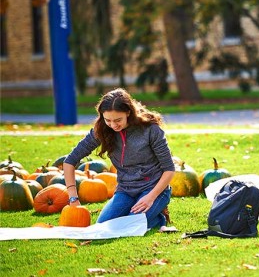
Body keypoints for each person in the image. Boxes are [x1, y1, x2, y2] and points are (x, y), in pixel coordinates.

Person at [63, 88, 175, 230]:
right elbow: (70, 161)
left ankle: (159, 217)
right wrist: (73, 197)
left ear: (128, 112)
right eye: (108, 120)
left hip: (153, 188)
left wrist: (151, 197)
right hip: (125, 190)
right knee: (103, 226)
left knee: (129, 226)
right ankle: (151, 217)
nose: (113, 125)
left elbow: (169, 169)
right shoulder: (102, 130)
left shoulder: (151, 130)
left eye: (118, 120)